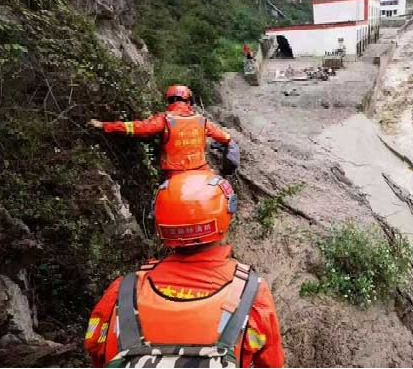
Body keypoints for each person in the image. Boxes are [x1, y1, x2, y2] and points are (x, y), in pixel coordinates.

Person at [84, 170, 285, 368]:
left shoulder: (122, 292)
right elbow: (270, 363)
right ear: (226, 215)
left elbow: (96, 352)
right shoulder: (251, 294)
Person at [88, 84, 239, 176]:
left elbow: (138, 128)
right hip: (200, 170)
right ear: (189, 101)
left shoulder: (165, 119)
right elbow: (225, 138)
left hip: (173, 173)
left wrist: (106, 125)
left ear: (169, 100)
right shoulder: (201, 120)